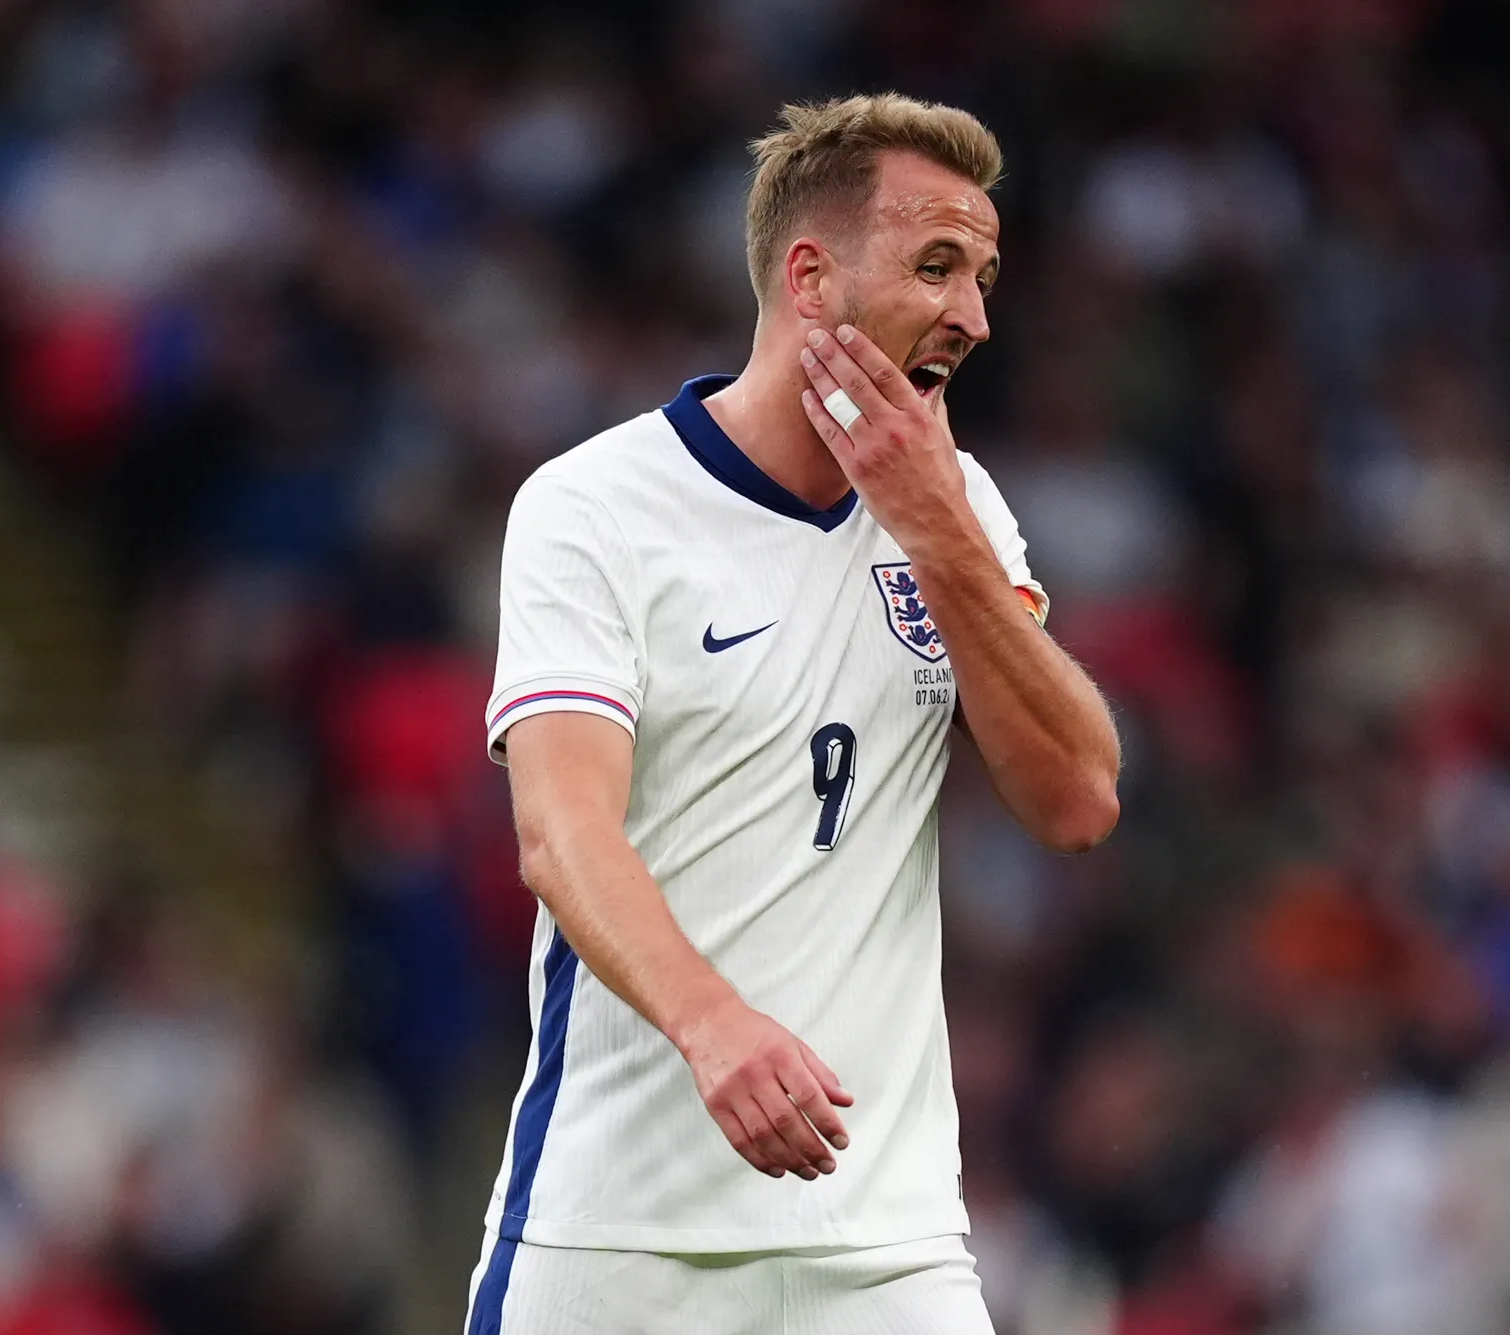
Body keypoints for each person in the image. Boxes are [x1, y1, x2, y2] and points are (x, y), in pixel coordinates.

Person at [464, 94, 1122, 1334]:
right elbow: (560, 834)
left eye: (984, 278)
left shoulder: (959, 506)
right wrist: (715, 1028)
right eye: (936, 267)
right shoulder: (593, 505)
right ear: (810, 278)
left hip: (887, 1248)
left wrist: (938, 534)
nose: (974, 318)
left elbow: (1078, 799)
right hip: (620, 1232)